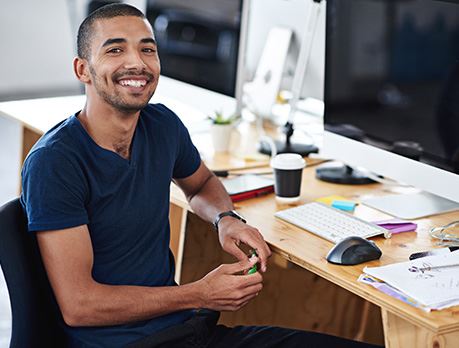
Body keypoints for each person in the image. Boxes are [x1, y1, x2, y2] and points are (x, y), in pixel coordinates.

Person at [20, 4, 381, 348]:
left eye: (148, 50)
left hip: (187, 332)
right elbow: (80, 305)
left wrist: (225, 219)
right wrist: (199, 293)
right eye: (115, 51)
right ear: (83, 70)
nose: (137, 63)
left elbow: (202, 184)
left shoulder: (162, 125)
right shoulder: (55, 162)